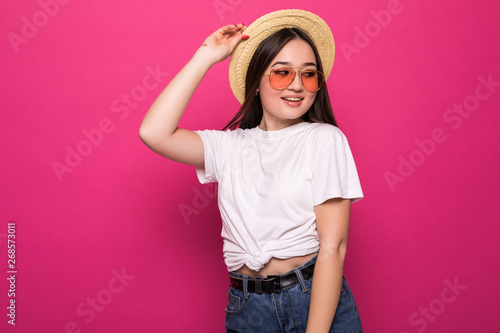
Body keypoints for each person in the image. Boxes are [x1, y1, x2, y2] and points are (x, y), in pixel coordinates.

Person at [139, 9, 364, 333]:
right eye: (282, 73)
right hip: (248, 308)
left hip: (312, 299)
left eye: (309, 74)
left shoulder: (324, 140)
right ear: (256, 82)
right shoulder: (229, 147)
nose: (297, 85)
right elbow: (153, 133)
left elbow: (333, 246)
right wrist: (206, 56)